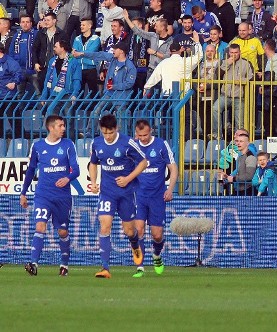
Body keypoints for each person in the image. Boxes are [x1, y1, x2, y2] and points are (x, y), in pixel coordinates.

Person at [90, 113, 148, 278]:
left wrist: (128, 178)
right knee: (104, 226)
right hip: (107, 192)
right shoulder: (97, 143)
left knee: (129, 230)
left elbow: (143, 162)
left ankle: (135, 244)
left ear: (116, 129)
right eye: (104, 133)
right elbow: (93, 164)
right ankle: (105, 268)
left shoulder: (127, 143)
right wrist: (94, 182)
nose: (107, 136)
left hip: (126, 193)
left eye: (110, 132)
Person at [20, 115, 79, 277]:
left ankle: (64, 265)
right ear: (51, 128)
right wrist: (23, 192)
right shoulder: (38, 146)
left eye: (64, 125)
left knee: (62, 232)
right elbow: (31, 170)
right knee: (40, 226)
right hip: (43, 195)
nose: (63, 128)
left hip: (62, 197)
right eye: (60, 126)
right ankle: (33, 264)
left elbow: (76, 170)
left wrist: (67, 178)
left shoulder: (68, 145)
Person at [132, 119, 178, 277]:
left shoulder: (161, 145)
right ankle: (140, 266)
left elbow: (173, 168)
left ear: (151, 130)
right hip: (138, 195)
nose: (143, 138)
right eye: (140, 135)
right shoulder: (133, 146)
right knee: (138, 231)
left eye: (145, 135)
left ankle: (157, 256)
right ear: (136, 133)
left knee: (157, 234)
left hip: (157, 196)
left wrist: (170, 189)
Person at [211, 44, 253, 138]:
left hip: (239, 96)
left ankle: (239, 138)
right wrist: (227, 64)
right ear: (229, 53)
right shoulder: (224, 62)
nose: (233, 55)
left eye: (236, 52)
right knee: (215, 108)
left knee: (239, 120)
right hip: (225, 95)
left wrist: (243, 81)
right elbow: (217, 75)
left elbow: (252, 78)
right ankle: (217, 134)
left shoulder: (246, 63)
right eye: (231, 53)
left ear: (240, 52)